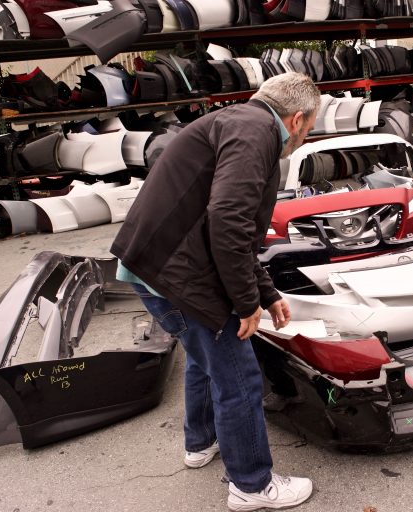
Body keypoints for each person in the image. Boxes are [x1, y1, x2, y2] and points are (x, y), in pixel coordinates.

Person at [110, 71, 320, 511]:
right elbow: (228, 220)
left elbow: (233, 232)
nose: (304, 137)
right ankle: (251, 485)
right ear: (297, 119)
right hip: (176, 273)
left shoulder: (238, 121)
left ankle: (200, 443)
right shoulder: (258, 132)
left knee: (206, 359)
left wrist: (266, 293)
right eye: (311, 127)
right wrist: (246, 303)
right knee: (238, 375)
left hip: (154, 265)